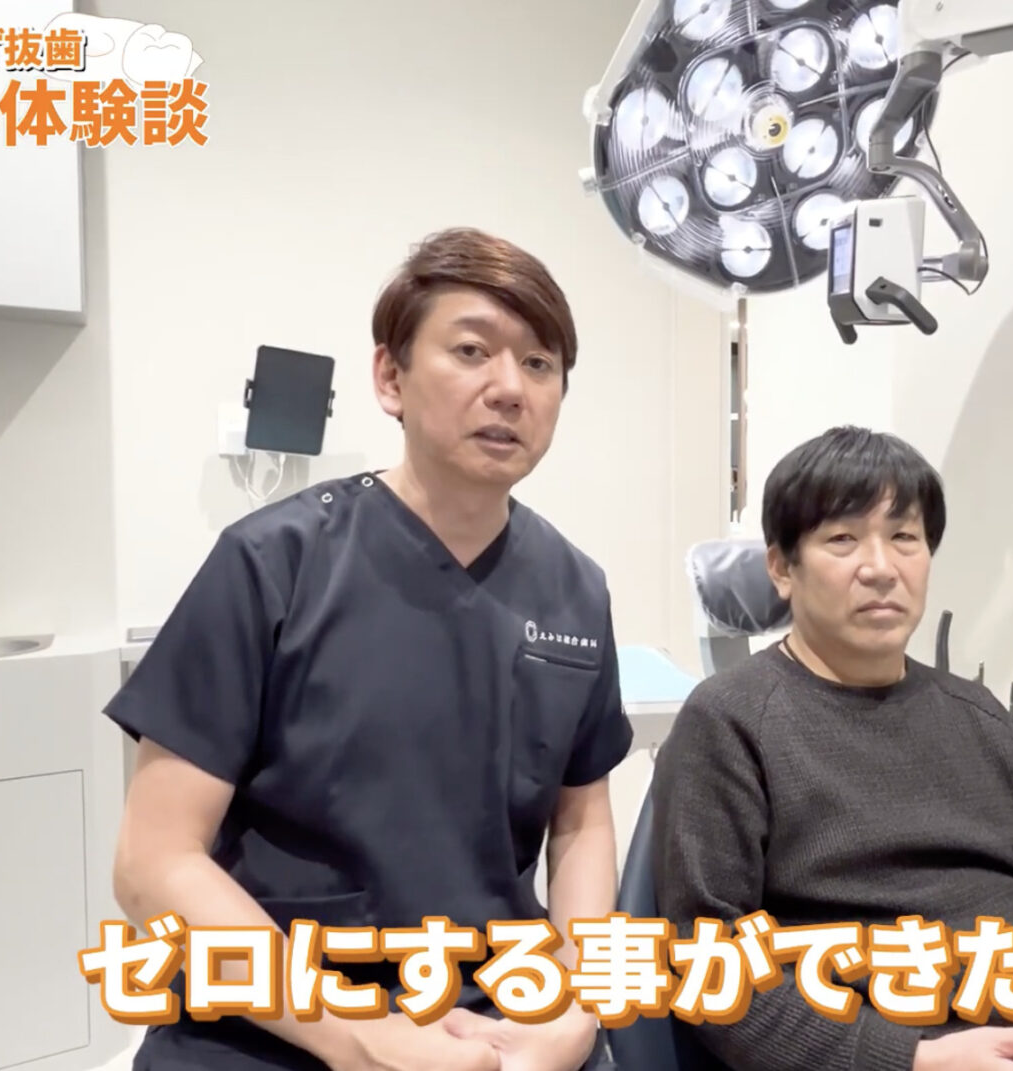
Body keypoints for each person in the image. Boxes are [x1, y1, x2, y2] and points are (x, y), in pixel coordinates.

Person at [105, 228, 631, 1071]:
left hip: (494, 1021)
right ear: (390, 377)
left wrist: (574, 1005)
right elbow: (154, 860)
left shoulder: (575, 588)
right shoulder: (272, 563)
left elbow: (582, 821)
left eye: (539, 363)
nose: (509, 387)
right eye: (472, 351)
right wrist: (360, 1038)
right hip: (275, 1023)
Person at [649, 426, 1013, 1071]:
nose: (881, 567)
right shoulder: (730, 720)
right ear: (781, 568)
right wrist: (912, 1060)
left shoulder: (976, 714)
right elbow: (709, 961)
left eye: (904, 537)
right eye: (843, 539)